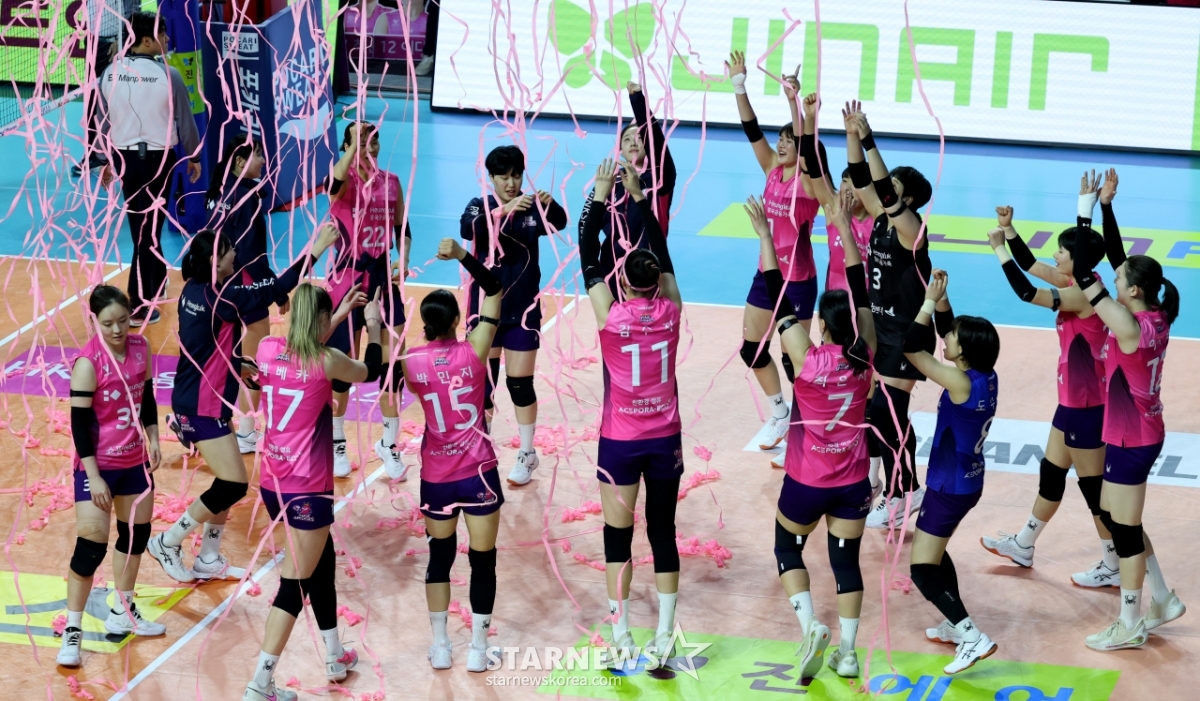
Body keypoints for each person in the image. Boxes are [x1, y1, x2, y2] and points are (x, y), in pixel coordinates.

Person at [147, 225, 338, 583]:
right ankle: (167, 541)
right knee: (233, 485)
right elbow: (277, 289)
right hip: (201, 406)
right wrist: (317, 248)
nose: (236, 253)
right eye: (229, 250)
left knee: (228, 481)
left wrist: (237, 364)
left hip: (201, 398)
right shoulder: (225, 296)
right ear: (215, 261)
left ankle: (208, 557)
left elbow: (207, 344)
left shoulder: (193, 290)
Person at [748, 195, 876, 680]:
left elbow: (777, 291)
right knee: (847, 563)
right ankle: (848, 653)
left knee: (788, 548)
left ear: (821, 326)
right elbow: (861, 288)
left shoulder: (805, 358)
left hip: (806, 481)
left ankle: (810, 628)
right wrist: (844, 228)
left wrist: (766, 236)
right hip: (853, 481)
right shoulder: (866, 355)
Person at [979, 172, 1118, 586]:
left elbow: (1026, 292)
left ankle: (1113, 563)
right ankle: (1023, 545)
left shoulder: (1082, 295)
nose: (1055, 255)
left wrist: (998, 250)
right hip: (1071, 402)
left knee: (1094, 491)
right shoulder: (1078, 279)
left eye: (1061, 251)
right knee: (1052, 474)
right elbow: (1031, 265)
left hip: (1087, 407)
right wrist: (1009, 231)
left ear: (1078, 260)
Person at [242, 283, 379, 701]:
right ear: (319, 319)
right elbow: (370, 370)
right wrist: (373, 327)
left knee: (323, 561)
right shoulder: (328, 360)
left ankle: (334, 655)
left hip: (273, 483)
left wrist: (338, 314)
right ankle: (259, 684)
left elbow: (301, 349)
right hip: (307, 490)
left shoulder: (267, 349)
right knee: (294, 584)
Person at [579, 159, 682, 667]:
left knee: (617, 538)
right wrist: (640, 197)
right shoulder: (672, 310)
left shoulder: (610, 315)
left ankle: (621, 636)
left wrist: (600, 194)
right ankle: (664, 635)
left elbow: (587, 255)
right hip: (664, 439)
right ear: (658, 282)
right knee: (663, 532)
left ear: (623, 282)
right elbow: (663, 254)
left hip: (620, 441)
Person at [1069, 217, 1187, 650]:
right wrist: (1106, 208)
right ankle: (1163, 599)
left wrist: (1084, 212)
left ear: (1134, 290)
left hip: (1131, 438)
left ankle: (1130, 622)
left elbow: (1084, 274)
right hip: (1138, 432)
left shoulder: (1127, 327)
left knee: (1125, 531)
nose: (1113, 278)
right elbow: (1122, 262)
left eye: (1119, 279)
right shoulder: (1156, 314)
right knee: (1119, 517)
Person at [406, 238, 506, 672]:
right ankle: (479, 651)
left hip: (437, 476)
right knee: (483, 562)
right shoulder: (475, 349)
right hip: (478, 472)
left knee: (439, 559)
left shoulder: (412, 361)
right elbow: (495, 288)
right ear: (458, 321)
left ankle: (442, 646)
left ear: (426, 324)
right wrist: (464, 256)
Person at [57, 286, 165, 667]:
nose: (117, 330)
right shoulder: (88, 364)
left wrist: (154, 437)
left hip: (135, 463)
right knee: (91, 547)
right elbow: (79, 424)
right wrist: (94, 476)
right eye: (107, 324)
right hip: (98, 467)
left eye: (122, 321)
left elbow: (146, 398)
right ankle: (72, 630)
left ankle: (123, 610)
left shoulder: (141, 347)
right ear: (94, 322)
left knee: (135, 537)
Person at [901, 271, 1000, 674]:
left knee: (922, 569)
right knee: (936, 554)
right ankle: (956, 625)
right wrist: (943, 299)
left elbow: (912, 348)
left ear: (964, 353)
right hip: (966, 481)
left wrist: (926, 303)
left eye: (953, 337)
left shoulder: (959, 383)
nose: (947, 338)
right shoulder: (984, 377)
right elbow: (947, 333)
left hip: (948, 486)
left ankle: (971, 635)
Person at [842, 100, 934, 529]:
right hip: (881, 330)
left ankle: (905, 491)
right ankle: (902, 489)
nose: (883, 192)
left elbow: (879, 187)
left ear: (906, 198)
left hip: (907, 333)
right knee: (882, 414)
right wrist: (851, 135)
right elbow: (861, 177)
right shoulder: (880, 218)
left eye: (893, 187)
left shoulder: (912, 229)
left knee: (887, 412)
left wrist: (870, 137)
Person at [726, 51, 819, 454]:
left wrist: (793, 102)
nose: (780, 143)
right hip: (767, 274)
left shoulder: (808, 184)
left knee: (795, 359)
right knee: (751, 349)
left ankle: (801, 428)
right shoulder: (771, 170)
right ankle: (780, 413)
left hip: (797, 281)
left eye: (788, 140)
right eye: (779, 139)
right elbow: (751, 130)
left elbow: (805, 141)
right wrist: (739, 85)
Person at [459, 145, 568, 486]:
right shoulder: (479, 205)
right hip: (484, 311)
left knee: (520, 384)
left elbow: (560, 222)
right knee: (483, 385)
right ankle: (481, 449)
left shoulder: (531, 206)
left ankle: (527, 453)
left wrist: (550, 204)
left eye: (516, 176)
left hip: (522, 311)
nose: (511, 183)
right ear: (491, 177)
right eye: (503, 177)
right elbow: (469, 230)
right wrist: (503, 211)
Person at [98, 11, 202, 327]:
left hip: (124, 161)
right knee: (147, 232)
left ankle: (156, 284)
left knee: (144, 229)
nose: (167, 40)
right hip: (158, 162)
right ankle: (140, 304)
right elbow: (185, 120)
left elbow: (102, 121)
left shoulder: (109, 73)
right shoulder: (168, 75)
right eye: (162, 35)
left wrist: (105, 159)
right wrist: (195, 156)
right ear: (146, 40)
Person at [327, 122, 413, 481]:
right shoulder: (342, 181)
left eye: (375, 140)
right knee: (341, 368)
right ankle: (336, 443)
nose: (371, 146)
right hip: (346, 284)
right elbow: (334, 182)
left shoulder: (392, 182)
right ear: (347, 146)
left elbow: (403, 229)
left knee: (394, 366)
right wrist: (354, 147)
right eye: (362, 141)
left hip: (382, 283)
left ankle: (388, 444)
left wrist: (403, 259)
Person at [205, 134, 282, 455]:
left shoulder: (217, 191)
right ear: (240, 161)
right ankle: (247, 433)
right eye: (259, 155)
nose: (264, 162)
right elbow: (252, 254)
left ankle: (204, 422)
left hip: (216, 288)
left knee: (226, 359)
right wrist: (277, 289)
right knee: (253, 362)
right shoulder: (247, 197)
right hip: (246, 288)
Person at [577, 80, 676, 300]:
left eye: (640, 138)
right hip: (612, 273)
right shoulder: (608, 182)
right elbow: (585, 226)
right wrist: (591, 273)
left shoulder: (659, 181)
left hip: (649, 273)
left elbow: (657, 145)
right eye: (627, 139)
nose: (633, 142)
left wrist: (638, 101)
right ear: (620, 149)